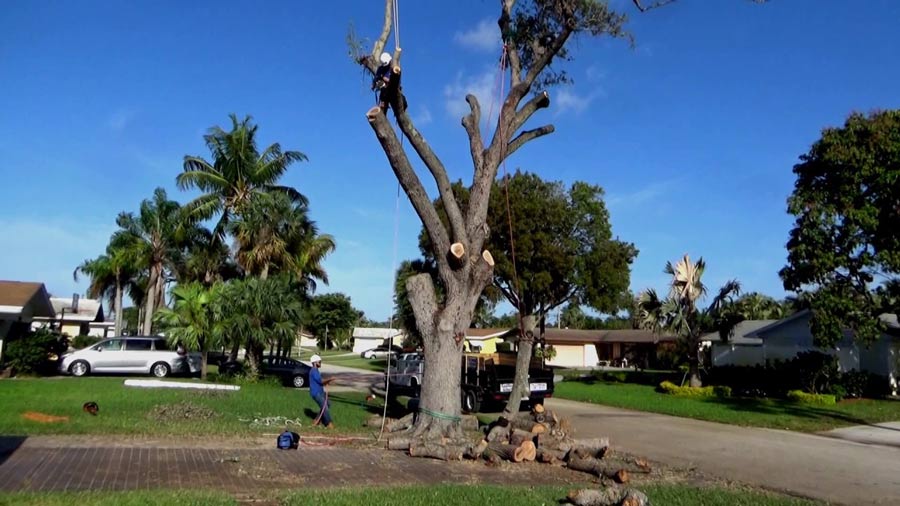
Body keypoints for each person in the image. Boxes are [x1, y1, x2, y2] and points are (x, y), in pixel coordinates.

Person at [309, 354, 334, 429]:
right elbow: (321, 381)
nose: (320, 363)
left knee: (328, 404)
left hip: (320, 392)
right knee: (324, 407)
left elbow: (320, 382)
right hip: (316, 393)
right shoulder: (314, 371)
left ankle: (316, 420)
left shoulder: (316, 370)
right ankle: (329, 423)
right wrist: (330, 379)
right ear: (315, 362)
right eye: (319, 362)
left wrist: (327, 382)